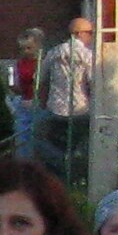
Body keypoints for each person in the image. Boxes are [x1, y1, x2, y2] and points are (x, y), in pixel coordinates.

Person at [36, 16, 93, 183]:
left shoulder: (54, 52)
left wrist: (44, 100)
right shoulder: (87, 55)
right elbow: (93, 82)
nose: (91, 37)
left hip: (55, 108)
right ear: (79, 33)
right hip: (80, 110)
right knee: (79, 147)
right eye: (89, 33)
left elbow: (41, 77)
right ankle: (74, 178)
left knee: (53, 145)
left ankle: (58, 177)